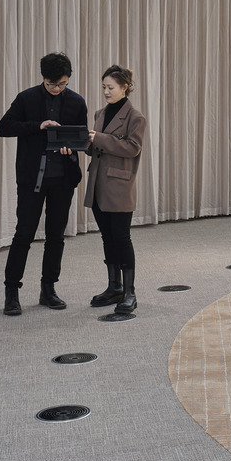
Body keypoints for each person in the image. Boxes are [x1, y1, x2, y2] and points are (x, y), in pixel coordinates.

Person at [0, 53, 87, 317]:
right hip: (31, 179)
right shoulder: (27, 98)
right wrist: (39, 126)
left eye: (62, 84)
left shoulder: (76, 102)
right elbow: (4, 127)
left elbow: (82, 137)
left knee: (56, 236)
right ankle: (11, 293)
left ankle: (48, 289)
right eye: (52, 84)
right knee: (23, 234)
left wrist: (71, 148)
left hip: (63, 179)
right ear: (42, 78)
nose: (57, 89)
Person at [84, 65, 147, 315]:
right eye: (103, 87)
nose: (106, 92)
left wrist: (97, 139)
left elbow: (132, 148)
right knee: (107, 238)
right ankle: (114, 287)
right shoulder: (100, 113)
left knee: (121, 238)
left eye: (111, 87)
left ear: (125, 87)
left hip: (119, 186)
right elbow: (95, 146)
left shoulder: (136, 117)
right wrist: (84, 142)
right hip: (98, 184)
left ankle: (130, 292)